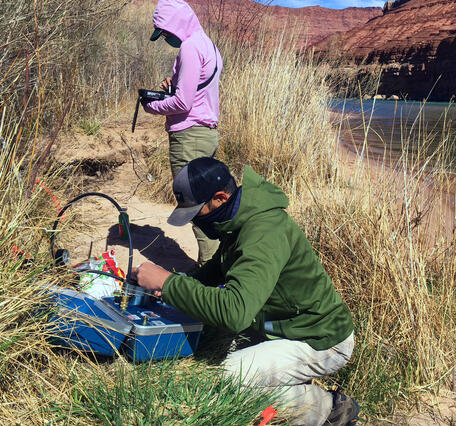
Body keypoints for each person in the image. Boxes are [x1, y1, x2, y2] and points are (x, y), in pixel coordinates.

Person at [133, 157, 359, 426]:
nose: (194, 223)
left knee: (228, 380)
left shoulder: (262, 232)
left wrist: (169, 284)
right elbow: (212, 273)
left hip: (320, 339)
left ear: (219, 198)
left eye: (196, 214)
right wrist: (172, 285)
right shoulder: (236, 221)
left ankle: (326, 408)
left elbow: (235, 313)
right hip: (282, 328)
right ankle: (290, 381)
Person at [142, 0, 223, 265]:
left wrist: (152, 106)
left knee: (195, 209)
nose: (166, 38)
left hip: (189, 137)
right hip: (207, 135)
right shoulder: (207, 44)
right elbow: (197, 91)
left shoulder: (188, 48)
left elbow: (182, 103)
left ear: (176, 24)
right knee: (210, 208)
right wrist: (174, 84)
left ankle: (208, 278)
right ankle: (217, 269)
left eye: (165, 32)